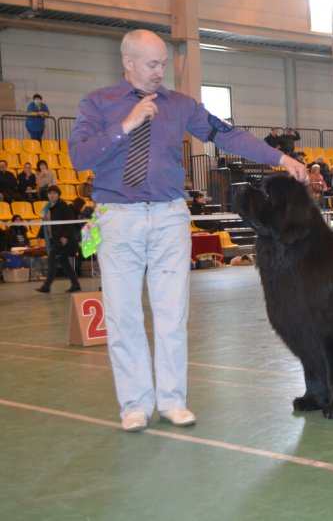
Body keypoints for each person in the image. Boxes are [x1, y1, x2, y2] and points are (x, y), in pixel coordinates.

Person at [68, 29, 308, 433]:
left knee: (172, 313)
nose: (161, 71)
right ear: (128, 63)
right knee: (124, 314)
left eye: (163, 63)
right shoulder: (97, 103)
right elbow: (79, 157)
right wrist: (126, 124)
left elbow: (227, 134)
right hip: (118, 218)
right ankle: (134, 405)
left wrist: (279, 157)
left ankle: (173, 401)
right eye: (152, 64)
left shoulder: (180, 105)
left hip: (168, 217)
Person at [35, 185, 81, 294]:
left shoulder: (64, 206)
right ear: (47, 195)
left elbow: (70, 224)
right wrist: (39, 235)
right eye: (50, 193)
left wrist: (65, 237)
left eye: (54, 193)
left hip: (62, 241)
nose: (52, 195)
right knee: (65, 263)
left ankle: (46, 286)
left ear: (58, 195)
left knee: (51, 260)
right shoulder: (47, 208)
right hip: (53, 239)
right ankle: (76, 284)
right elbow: (46, 224)